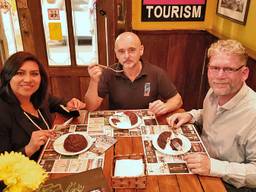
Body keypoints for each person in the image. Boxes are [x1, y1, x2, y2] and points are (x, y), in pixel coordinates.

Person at [167, 40, 256, 191]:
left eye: (228, 69)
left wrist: (213, 167)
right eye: (214, 68)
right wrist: (191, 115)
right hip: (201, 160)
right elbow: (210, 115)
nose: (219, 76)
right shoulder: (214, 91)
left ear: (244, 73)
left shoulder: (253, 112)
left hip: (228, 182)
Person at [0, 51, 86, 161]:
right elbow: (2, 164)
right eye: (20, 73)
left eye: (34, 73)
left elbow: (59, 103)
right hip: (27, 172)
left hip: (50, 157)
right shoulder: (3, 111)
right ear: (8, 76)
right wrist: (28, 149)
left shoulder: (39, 97)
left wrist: (69, 104)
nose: (28, 79)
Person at [85, 32, 182, 115]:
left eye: (132, 50)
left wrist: (165, 106)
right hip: (118, 123)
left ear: (141, 50)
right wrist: (94, 81)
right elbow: (90, 107)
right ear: (116, 53)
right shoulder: (109, 73)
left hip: (145, 123)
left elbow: (177, 100)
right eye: (121, 51)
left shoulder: (156, 73)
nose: (126, 56)